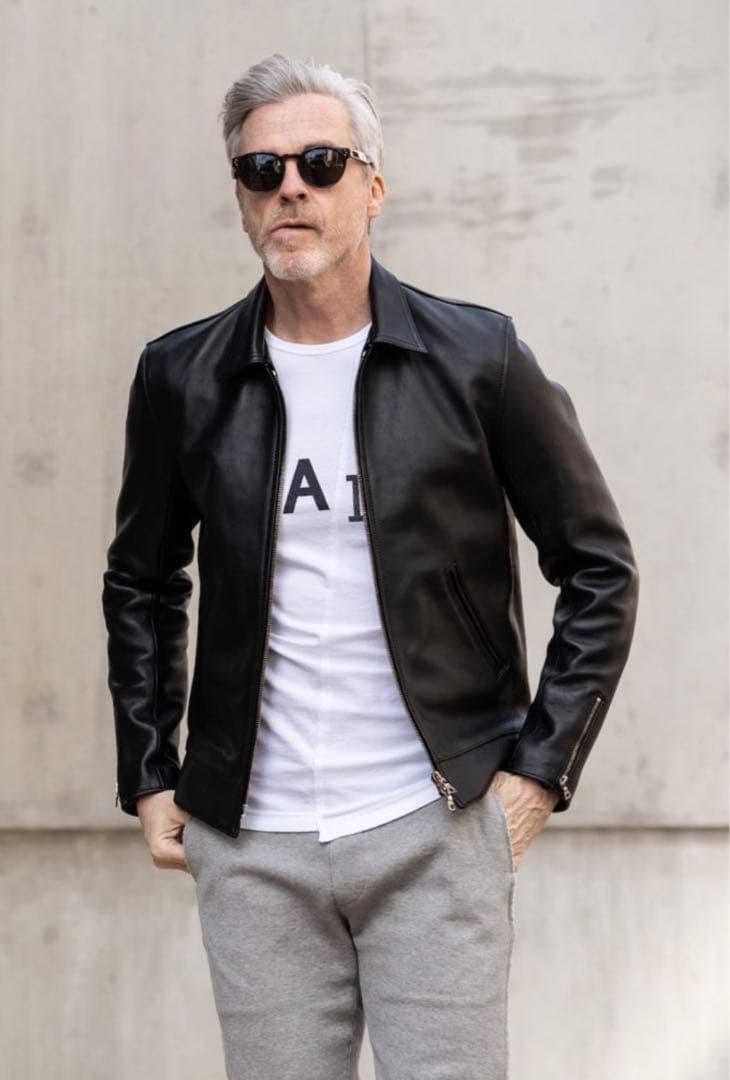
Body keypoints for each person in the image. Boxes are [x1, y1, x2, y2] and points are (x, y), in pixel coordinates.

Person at [101, 53, 639, 1080]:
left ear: (373, 186)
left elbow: (598, 567)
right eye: (260, 170)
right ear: (241, 198)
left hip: (432, 824)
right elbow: (142, 579)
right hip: (250, 840)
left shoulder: (476, 358)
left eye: (319, 162)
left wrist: (538, 773)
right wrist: (148, 772)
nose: (288, 188)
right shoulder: (183, 376)